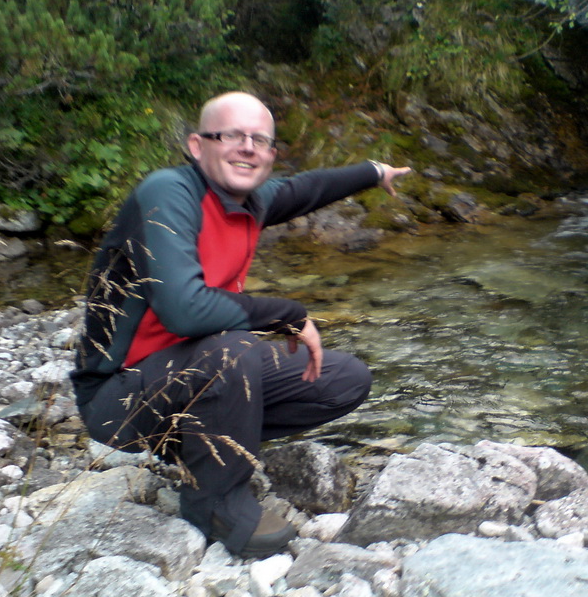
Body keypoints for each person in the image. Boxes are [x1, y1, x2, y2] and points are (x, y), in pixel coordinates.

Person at [71, 91, 411, 558]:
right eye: (232, 135)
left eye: (261, 140)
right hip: (118, 398)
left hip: (190, 373)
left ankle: (201, 443)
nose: (248, 147)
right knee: (233, 346)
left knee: (344, 379)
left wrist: (375, 173)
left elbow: (308, 188)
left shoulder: (252, 200)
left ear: (270, 155)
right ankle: (215, 502)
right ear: (197, 145)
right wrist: (288, 315)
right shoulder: (169, 193)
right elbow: (184, 311)